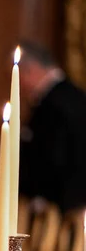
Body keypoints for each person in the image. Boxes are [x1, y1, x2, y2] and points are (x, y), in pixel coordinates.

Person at [19, 40, 86, 213]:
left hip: (62, 206)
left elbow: (52, 158)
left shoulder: (56, 104)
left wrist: (15, 177)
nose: (19, 85)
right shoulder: (71, 95)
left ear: (31, 69)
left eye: (16, 76)